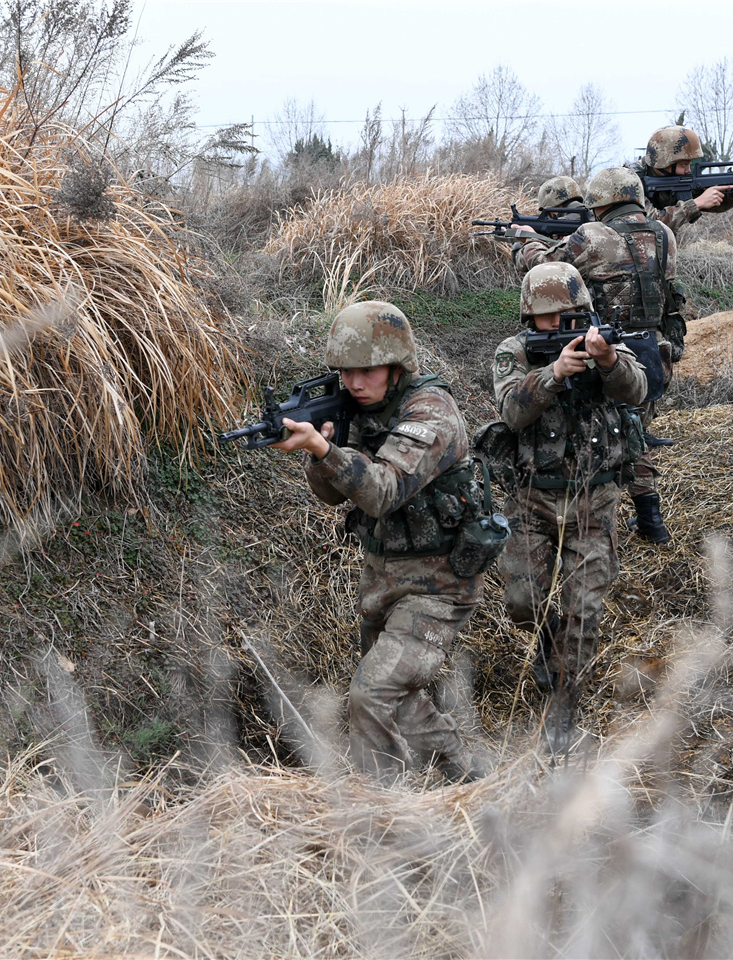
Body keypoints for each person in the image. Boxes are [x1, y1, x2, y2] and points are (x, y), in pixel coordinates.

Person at [271, 301, 488, 783]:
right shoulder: (364, 407)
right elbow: (331, 495)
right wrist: (321, 452)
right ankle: (468, 777)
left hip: (437, 588)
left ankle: (378, 810)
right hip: (383, 580)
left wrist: (324, 449)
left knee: (371, 693)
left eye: (365, 371)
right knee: (399, 699)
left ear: (396, 364)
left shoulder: (432, 413)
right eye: (345, 372)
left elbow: (383, 492)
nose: (352, 383)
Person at [488, 262, 648, 753]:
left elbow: (639, 389)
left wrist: (607, 362)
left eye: (572, 317)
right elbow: (511, 411)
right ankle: (548, 645)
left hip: (593, 495)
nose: (563, 328)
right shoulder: (513, 352)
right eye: (549, 320)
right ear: (529, 318)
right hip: (531, 496)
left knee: (584, 608)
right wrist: (553, 374)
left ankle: (564, 700)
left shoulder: (604, 341)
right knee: (522, 603)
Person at [513, 166, 685, 544]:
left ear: (599, 202)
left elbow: (548, 271)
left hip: (602, 348)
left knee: (604, 431)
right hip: (654, 352)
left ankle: (583, 523)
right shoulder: (664, 234)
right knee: (637, 431)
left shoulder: (591, 236)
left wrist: (526, 241)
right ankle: (651, 521)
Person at [634, 124, 733, 233]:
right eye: (684, 164)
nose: (688, 170)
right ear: (664, 163)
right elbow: (647, 222)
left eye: (689, 164)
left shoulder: (675, 178)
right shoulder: (629, 180)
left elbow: (713, 202)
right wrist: (696, 204)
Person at [511, 175, 587, 274]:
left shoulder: (574, 230)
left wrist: (527, 240)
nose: (548, 217)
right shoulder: (595, 218)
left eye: (546, 213)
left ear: (556, 207)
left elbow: (542, 265)